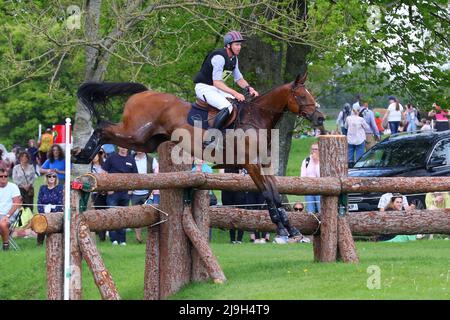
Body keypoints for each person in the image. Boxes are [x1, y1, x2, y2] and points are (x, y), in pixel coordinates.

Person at [193, 30, 259, 131]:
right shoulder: (219, 57)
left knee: (238, 104)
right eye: (237, 45)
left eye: (240, 45)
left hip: (216, 88)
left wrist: (249, 88)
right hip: (204, 88)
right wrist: (235, 93)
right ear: (228, 45)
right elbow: (217, 82)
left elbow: (239, 79)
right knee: (227, 107)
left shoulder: (234, 59)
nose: (239, 47)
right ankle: (212, 136)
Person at [102, 147, 138, 246]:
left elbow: (135, 176)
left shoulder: (131, 159)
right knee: (112, 215)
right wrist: (108, 188)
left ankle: (122, 240)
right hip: (113, 192)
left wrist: (131, 190)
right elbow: (104, 173)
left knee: (123, 216)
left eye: (125, 147)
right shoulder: (112, 158)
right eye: (122, 146)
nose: (123, 149)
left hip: (125, 193)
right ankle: (113, 239)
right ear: (118, 147)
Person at [131, 151, 153, 243]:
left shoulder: (151, 159)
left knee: (150, 215)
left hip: (148, 192)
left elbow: (156, 172)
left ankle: (151, 237)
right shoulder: (131, 159)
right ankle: (138, 237)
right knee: (136, 215)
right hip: (134, 192)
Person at [37, 172, 64, 245]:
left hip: (56, 213)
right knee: (40, 221)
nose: (52, 178)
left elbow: (60, 202)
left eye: (54, 176)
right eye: (49, 176)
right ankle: (39, 243)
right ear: (46, 178)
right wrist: (42, 213)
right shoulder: (42, 188)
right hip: (44, 212)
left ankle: (56, 243)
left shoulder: (60, 188)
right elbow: (39, 202)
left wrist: (51, 214)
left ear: (56, 178)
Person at [221, 167, 246, 244]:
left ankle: (239, 238)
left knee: (240, 212)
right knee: (229, 212)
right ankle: (232, 238)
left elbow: (243, 174)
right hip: (227, 189)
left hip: (239, 188)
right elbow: (221, 173)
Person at [0, 167, 22, 251]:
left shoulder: (13, 187)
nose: (4, 178)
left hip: (10, 214)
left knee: (2, 224)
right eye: (1, 176)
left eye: (6, 176)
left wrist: (7, 215)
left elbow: (16, 203)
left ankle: (6, 245)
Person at [91, 150, 108, 241]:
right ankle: (100, 234)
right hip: (95, 193)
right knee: (98, 212)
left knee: (105, 211)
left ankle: (104, 233)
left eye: (96, 156)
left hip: (105, 192)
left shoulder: (104, 166)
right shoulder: (90, 168)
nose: (94, 158)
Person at [300, 143, 321, 214]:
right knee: (310, 210)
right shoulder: (306, 161)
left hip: (320, 188)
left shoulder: (323, 161)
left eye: (316, 149)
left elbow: (320, 175)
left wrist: (317, 162)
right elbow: (303, 175)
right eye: (312, 149)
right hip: (309, 188)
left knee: (320, 208)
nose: (314, 151)